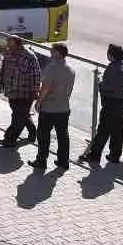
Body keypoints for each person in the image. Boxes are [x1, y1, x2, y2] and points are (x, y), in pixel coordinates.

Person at [80, 43, 123, 165]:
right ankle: (115, 155)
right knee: (117, 130)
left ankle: (94, 155)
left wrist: (100, 84)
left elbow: (107, 87)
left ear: (111, 55)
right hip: (122, 102)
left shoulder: (111, 68)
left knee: (103, 129)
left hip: (111, 103)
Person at [32, 42, 76, 171]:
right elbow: (69, 91)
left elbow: (45, 88)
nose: (50, 53)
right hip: (64, 108)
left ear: (57, 53)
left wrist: (39, 102)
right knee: (63, 136)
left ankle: (41, 161)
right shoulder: (71, 69)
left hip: (49, 109)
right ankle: (63, 161)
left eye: (52, 51)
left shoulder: (51, 68)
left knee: (43, 136)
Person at [0, 35, 41, 149]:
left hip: (25, 93)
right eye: (8, 45)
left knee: (17, 117)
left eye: (12, 46)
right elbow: (4, 69)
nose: (10, 48)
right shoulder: (8, 54)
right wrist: (1, 83)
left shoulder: (29, 56)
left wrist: (35, 92)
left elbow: (36, 75)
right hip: (11, 91)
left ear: (19, 45)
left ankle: (10, 138)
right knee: (21, 114)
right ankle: (32, 133)